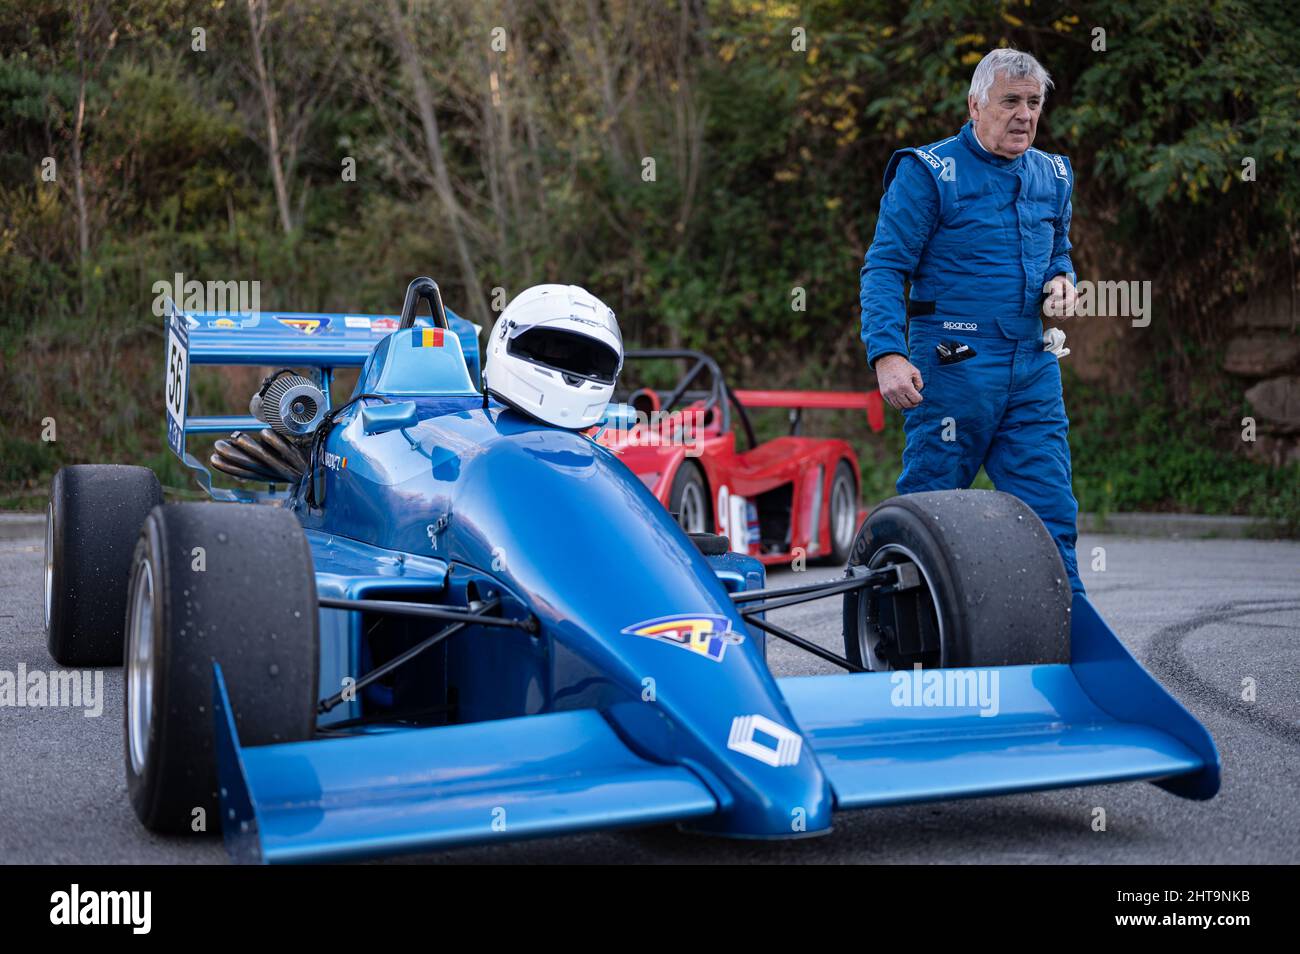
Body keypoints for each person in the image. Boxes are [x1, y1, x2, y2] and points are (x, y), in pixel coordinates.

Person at [859, 48, 1084, 594]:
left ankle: (1066, 640)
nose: (1025, 115)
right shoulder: (928, 171)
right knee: (930, 512)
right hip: (952, 365)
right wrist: (888, 354)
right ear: (975, 105)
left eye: (1034, 103)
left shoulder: (1053, 173)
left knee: (1053, 512)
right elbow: (886, 268)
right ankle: (894, 632)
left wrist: (1063, 281)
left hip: (1032, 366)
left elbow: (1059, 250)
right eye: (1010, 101)